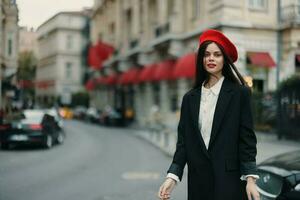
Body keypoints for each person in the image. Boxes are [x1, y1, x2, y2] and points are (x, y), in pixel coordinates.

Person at [158, 29, 260, 200]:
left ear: (224, 60)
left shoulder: (239, 93)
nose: (211, 58)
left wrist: (250, 179)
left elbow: (247, 139)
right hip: (198, 184)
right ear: (201, 59)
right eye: (207, 55)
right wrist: (172, 176)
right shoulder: (190, 98)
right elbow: (183, 143)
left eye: (217, 54)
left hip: (230, 183)